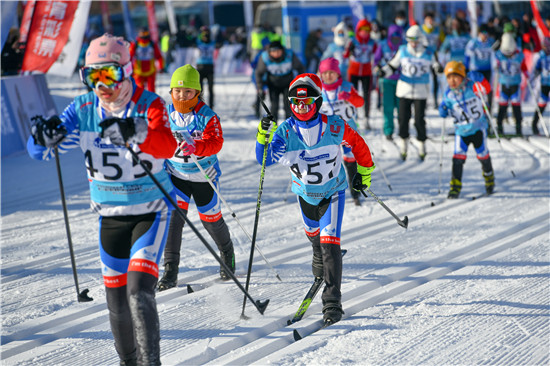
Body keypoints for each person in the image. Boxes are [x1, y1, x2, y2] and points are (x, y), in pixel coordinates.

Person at [27, 33, 177, 366]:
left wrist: (136, 131)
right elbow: (39, 151)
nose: (102, 84)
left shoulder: (149, 102)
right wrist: (42, 137)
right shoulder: (81, 109)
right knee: (117, 303)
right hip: (109, 215)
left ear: (127, 70)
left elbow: (168, 146)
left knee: (138, 292)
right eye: (92, 76)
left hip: (150, 211)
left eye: (110, 74)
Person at [255, 73, 375, 325]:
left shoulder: (333, 126)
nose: (301, 108)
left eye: (307, 103)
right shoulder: (286, 131)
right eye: (296, 103)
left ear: (317, 102)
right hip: (305, 195)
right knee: (314, 237)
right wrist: (262, 136)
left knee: (330, 242)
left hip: (333, 192)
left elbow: (358, 144)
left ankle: (332, 302)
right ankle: (320, 256)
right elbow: (265, 160)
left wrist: (364, 172)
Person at [157, 64, 235, 291]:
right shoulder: (165, 114)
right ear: (171, 92)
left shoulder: (207, 116)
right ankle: (170, 270)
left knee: (210, 220)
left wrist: (197, 145)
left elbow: (216, 143)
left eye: (188, 92)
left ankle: (226, 251)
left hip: (203, 177)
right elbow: (156, 139)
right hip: (175, 175)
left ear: (197, 93)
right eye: (177, 91)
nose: (182, 96)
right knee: (174, 220)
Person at [378, 25, 443, 161]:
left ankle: (421, 144)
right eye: (410, 40)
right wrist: (383, 72)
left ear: (420, 39)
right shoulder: (403, 50)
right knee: (403, 119)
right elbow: (392, 65)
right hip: (404, 90)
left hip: (420, 91)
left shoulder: (428, 52)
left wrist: (438, 69)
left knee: (419, 120)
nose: (413, 43)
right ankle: (403, 145)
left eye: (416, 40)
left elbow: (435, 64)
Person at [438, 61, 495, 198]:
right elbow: (444, 105)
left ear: (463, 76)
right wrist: (442, 110)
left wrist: (481, 79)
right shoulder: (449, 94)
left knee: (483, 155)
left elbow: (487, 89)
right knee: (458, 158)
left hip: (478, 129)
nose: (452, 81)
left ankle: (489, 177)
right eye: (449, 77)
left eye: (455, 77)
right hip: (461, 132)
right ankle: (455, 186)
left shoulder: (472, 87)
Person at [318, 57, 365, 206]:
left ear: (338, 73)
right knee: (328, 162)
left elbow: (360, 102)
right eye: (325, 73)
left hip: (348, 132)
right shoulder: (318, 90)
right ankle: (327, 192)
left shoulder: (346, 87)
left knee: (350, 161)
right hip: (329, 134)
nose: (328, 76)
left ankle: (355, 193)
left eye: (331, 72)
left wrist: (349, 97)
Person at [254, 40, 305, 121]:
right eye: (273, 52)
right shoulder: (265, 57)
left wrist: (300, 82)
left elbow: (300, 68)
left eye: (278, 51)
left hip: (287, 83)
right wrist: (260, 87)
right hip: (273, 84)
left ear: (282, 50)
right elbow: (258, 73)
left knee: (288, 107)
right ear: (269, 52)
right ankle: (275, 129)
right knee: (274, 107)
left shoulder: (289, 55)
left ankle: (289, 128)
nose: (276, 54)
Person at [343, 19, 378, 130]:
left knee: (367, 95)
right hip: (353, 71)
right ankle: (354, 117)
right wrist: (349, 49)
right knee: (353, 95)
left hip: (367, 71)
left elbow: (377, 55)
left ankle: (366, 118)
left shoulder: (372, 42)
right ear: (358, 30)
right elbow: (345, 55)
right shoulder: (353, 40)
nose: (364, 32)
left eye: (367, 30)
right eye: (362, 30)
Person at [494, 33, 528, 136]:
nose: (508, 56)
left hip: (515, 85)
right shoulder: (499, 55)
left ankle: (518, 128)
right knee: (502, 106)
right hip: (504, 84)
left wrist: (526, 73)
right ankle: (499, 127)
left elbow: (524, 67)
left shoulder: (519, 56)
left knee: (516, 107)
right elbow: (494, 63)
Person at [374, 24, 404, 140]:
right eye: (393, 37)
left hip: (401, 81)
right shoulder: (383, 45)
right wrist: (377, 69)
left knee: (401, 107)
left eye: (398, 37)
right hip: (386, 81)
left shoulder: (403, 47)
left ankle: (402, 129)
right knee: (388, 107)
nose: (395, 39)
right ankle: (388, 130)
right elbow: (376, 61)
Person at [465, 24, 495, 110]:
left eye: (486, 33)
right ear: (479, 33)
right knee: (477, 90)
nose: (485, 35)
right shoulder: (473, 42)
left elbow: (496, 54)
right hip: (476, 70)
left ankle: (489, 109)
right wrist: (466, 68)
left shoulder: (491, 42)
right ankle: (476, 108)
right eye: (483, 33)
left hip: (487, 69)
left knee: (488, 89)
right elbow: (467, 55)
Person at [421, 12, 446, 108]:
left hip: (434, 55)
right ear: (425, 20)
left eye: (431, 20)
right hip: (424, 56)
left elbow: (443, 40)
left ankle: (435, 100)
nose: (430, 21)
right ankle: (425, 99)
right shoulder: (421, 29)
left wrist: (442, 49)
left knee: (435, 78)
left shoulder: (437, 30)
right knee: (424, 79)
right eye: (428, 19)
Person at [129, 28, 165, 93]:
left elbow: (159, 56)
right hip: (138, 71)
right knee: (139, 90)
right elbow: (130, 57)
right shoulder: (135, 44)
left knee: (151, 89)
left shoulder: (152, 44)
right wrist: (130, 69)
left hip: (150, 71)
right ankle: (140, 102)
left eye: (145, 33)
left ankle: (152, 102)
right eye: (142, 33)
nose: (144, 35)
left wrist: (161, 67)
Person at [195, 26, 219, 108]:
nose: (205, 37)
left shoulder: (212, 43)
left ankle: (211, 107)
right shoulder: (199, 42)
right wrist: (201, 32)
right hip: (200, 68)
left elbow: (218, 42)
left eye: (206, 35)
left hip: (209, 67)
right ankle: (199, 106)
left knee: (211, 89)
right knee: (200, 90)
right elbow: (195, 38)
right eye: (203, 35)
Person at [531, 37, 550, 135]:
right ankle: (534, 125)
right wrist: (533, 77)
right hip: (545, 83)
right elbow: (537, 69)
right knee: (542, 104)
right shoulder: (541, 56)